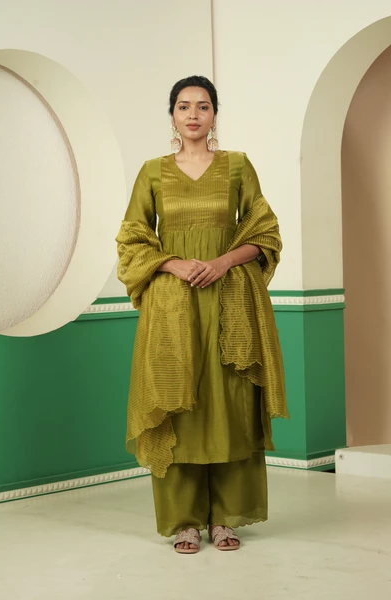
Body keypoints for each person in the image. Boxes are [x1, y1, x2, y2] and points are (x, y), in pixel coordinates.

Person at [116, 75, 288, 554]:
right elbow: (132, 238)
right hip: (172, 307)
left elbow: (265, 233)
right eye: (184, 106)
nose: (193, 114)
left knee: (229, 404)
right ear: (172, 115)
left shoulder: (238, 166)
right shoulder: (152, 172)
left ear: (214, 115)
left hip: (230, 303)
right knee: (179, 405)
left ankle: (225, 518)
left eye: (203, 106)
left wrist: (222, 262)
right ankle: (185, 522)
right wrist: (172, 263)